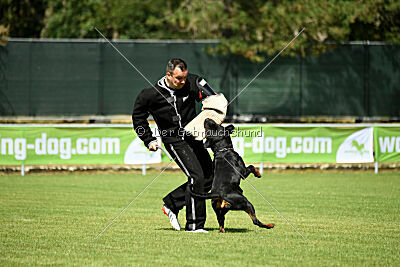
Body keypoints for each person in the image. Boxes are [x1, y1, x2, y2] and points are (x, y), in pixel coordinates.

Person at [132, 58, 214, 233]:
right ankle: (194, 226)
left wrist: (211, 106)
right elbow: (138, 118)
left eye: (184, 77)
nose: (183, 81)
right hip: (173, 140)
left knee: (210, 177)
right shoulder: (150, 94)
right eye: (179, 78)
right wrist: (149, 139)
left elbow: (212, 98)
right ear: (168, 75)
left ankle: (171, 204)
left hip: (193, 137)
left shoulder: (193, 81)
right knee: (196, 177)